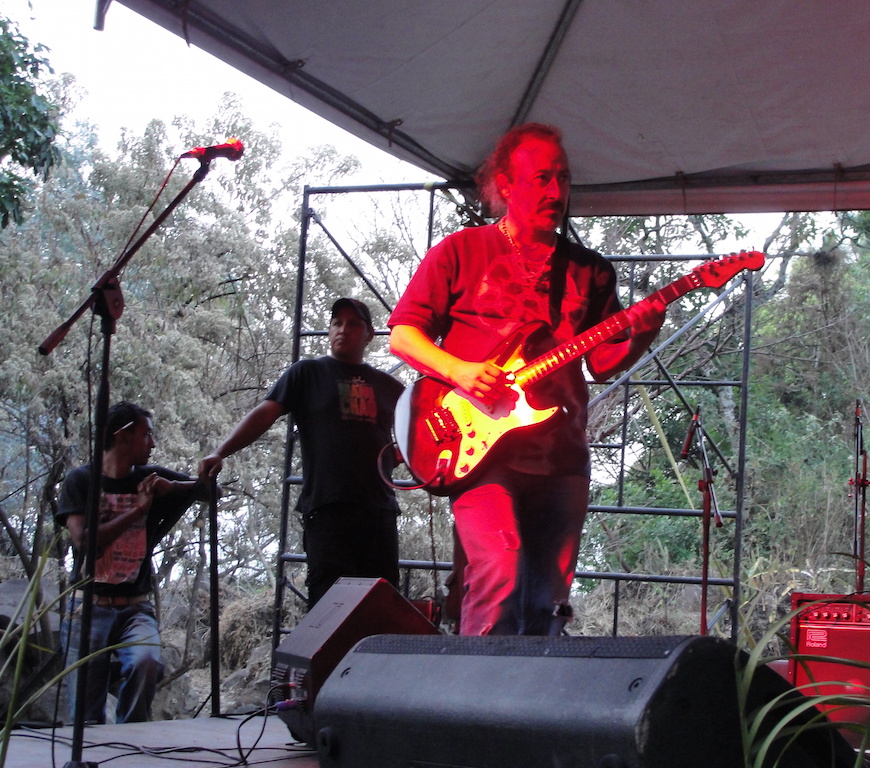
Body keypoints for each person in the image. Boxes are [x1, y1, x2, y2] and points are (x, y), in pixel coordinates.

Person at [389, 123, 665, 636]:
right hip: (477, 448)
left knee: (548, 601)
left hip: (561, 453)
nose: (557, 192)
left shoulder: (590, 271)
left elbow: (602, 364)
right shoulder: (462, 250)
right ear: (506, 185)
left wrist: (642, 335)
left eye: (564, 178)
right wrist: (462, 372)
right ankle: (477, 689)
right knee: (499, 571)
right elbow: (404, 336)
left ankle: (530, 687)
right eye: (542, 178)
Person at [198, 298, 405, 607]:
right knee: (329, 608)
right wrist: (221, 452)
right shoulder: (306, 373)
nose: (343, 330)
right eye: (337, 323)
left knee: (381, 606)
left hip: (379, 511)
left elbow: (418, 436)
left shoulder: (390, 387)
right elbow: (264, 414)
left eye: (353, 324)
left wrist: (406, 457)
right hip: (327, 509)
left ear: (369, 335)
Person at [57, 401, 208, 724]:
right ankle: (96, 746)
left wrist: (173, 487)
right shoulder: (81, 480)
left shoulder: (151, 478)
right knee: (85, 715)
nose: (152, 444)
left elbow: (213, 491)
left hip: (135, 607)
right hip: (88, 607)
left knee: (146, 662)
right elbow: (84, 541)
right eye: (146, 435)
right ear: (123, 434)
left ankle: (130, 735)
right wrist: (138, 510)